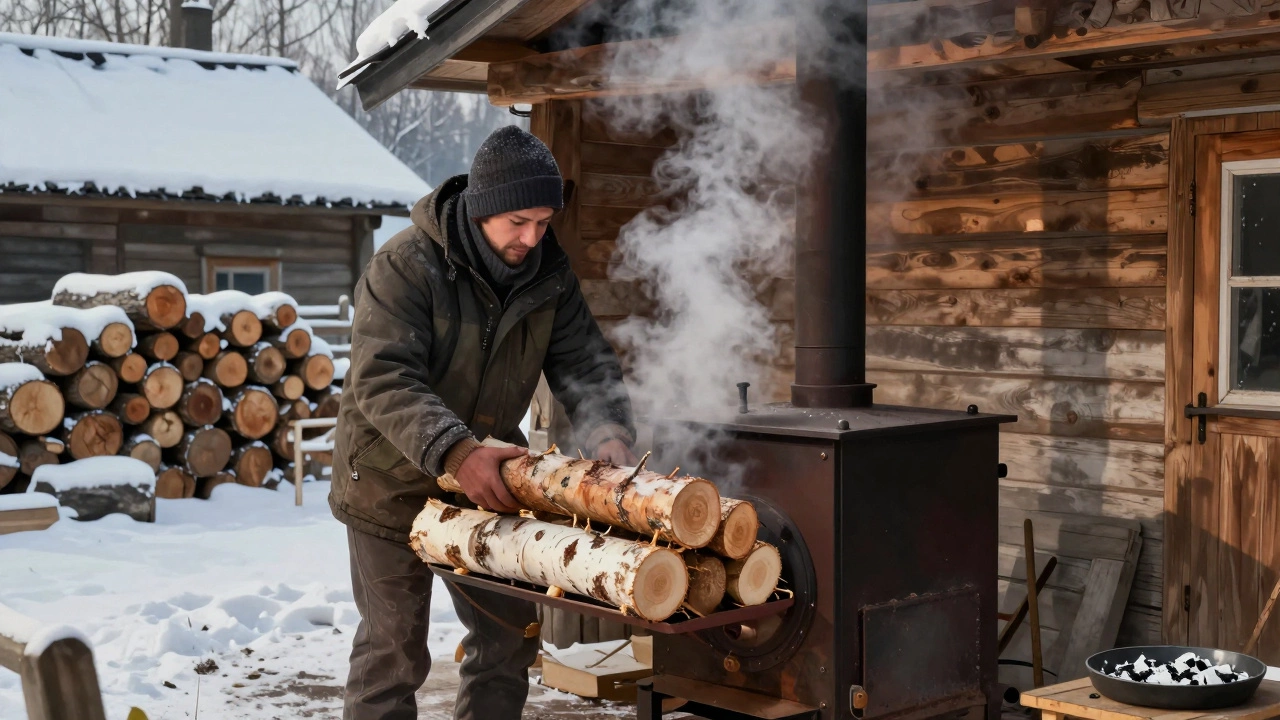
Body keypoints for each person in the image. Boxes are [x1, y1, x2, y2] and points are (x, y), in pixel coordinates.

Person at [330, 125, 637, 720]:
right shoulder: (405, 265)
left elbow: (584, 363)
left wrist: (607, 430)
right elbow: (383, 378)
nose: (532, 237)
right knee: (392, 653)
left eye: (543, 222)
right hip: (388, 481)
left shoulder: (549, 274)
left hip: (489, 476)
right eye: (518, 222)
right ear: (481, 209)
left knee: (507, 639)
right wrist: (456, 452)